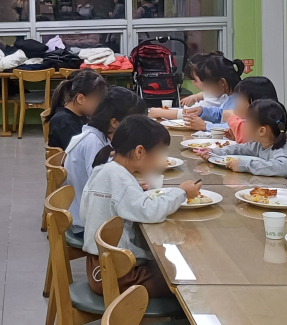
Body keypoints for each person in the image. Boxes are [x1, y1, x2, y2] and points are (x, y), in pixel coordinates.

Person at [78, 115, 200, 297]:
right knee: (176, 275)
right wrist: (181, 192)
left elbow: (88, 211)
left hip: (98, 265)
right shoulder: (120, 179)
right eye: (159, 153)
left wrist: (133, 191)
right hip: (115, 275)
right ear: (140, 151)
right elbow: (150, 212)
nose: (160, 160)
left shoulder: (104, 170)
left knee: (165, 264)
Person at [63, 86, 147, 232]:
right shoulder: (93, 142)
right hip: (87, 226)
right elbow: (103, 187)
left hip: (90, 215)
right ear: (114, 123)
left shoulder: (98, 135)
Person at [202, 99, 287, 187]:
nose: (243, 125)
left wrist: (244, 165)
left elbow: (283, 168)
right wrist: (214, 152)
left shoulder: (283, 149)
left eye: (246, 122)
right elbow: (239, 149)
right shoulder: (260, 145)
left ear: (261, 131)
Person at [43, 70, 108, 150]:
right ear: (80, 99)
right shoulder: (65, 122)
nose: (100, 107)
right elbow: (83, 152)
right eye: (97, 101)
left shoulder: (81, 115)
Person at [180, 54, 245, 126]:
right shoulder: (230, 97)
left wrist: (205, 126)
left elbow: (238, 126)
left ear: (222, 82)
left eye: (208, 85)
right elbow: (220, 113)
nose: (207, 90)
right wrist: (202, 111)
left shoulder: (242, 100)